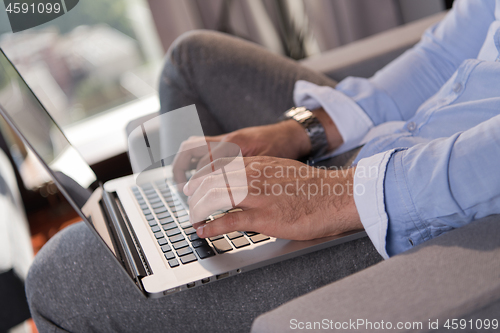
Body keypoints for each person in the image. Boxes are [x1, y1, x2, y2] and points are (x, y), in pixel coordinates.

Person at [26, 0, 500, 331]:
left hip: (434, 211)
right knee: (190, 60)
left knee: (60, 280)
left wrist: (335, 194)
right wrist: (302, 130)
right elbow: (443, 57)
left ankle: (192, 273)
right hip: (404, 141)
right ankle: (187, 240)